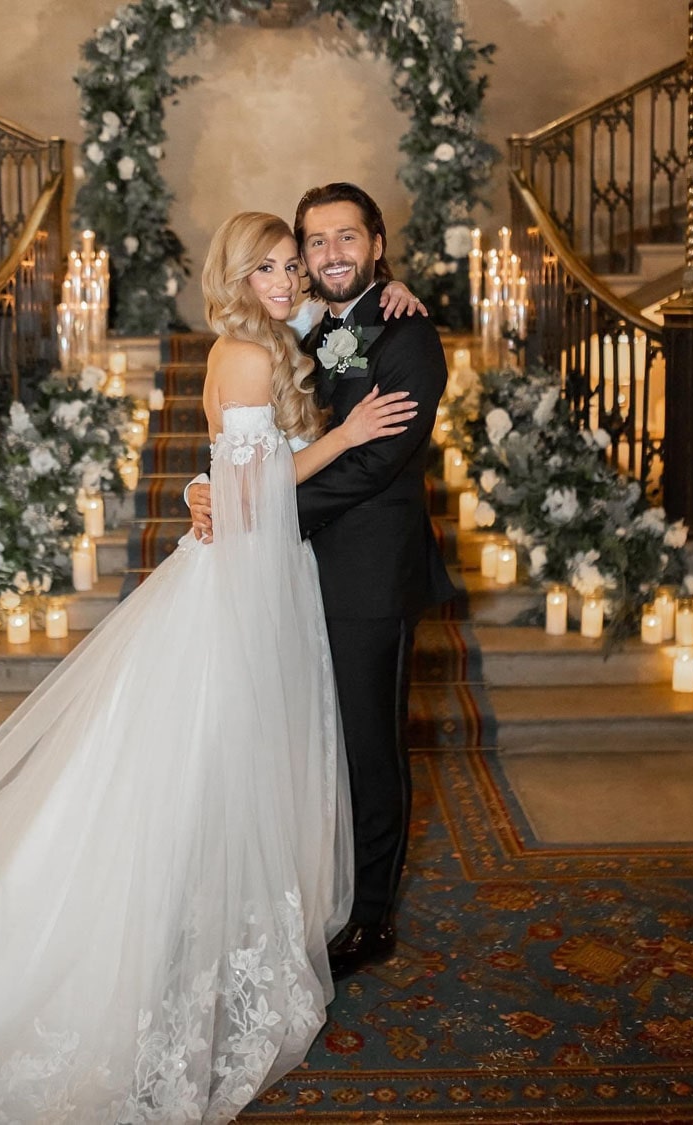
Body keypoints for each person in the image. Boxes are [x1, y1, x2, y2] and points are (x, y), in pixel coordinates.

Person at [0, 212, 416, 1124]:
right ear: (235, 277)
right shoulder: (245, 352)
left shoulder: (269, 337)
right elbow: (249, 487)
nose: (287, 280)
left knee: (230, 756)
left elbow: (238, 445)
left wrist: (391, 288)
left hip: (262, 568)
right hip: (245, 579)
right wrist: (338, 440)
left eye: (290, 266)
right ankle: (174, 932)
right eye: (265, 268)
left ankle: (213, 919)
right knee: (216, 753)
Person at [189, 184, 455, 980]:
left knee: (369, 747)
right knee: (308, 743)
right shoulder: (301, 326)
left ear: (376, 244)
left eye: (347, 236)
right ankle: (313, 890)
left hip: (366, 579)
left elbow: (374, 462)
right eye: (316, 240)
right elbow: (246, 436)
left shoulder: (407, 334)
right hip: (291, 571)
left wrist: (251, 511)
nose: (330, 252)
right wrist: (209, 490)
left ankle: (369, 917)